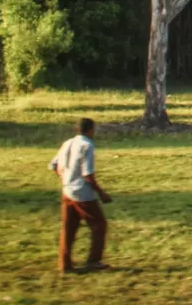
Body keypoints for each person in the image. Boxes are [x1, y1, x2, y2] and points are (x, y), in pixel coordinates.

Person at [49, 117, 112, 273]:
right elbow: (88, 175)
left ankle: (65, 264)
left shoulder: (68, 143)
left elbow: (54, 165)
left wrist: (65, 178)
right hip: (83, 193)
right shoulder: (87, 145)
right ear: (90, 130)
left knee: (68, 228)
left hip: (67, 190)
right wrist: (101, 193)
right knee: (99, 225)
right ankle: (93, 261)